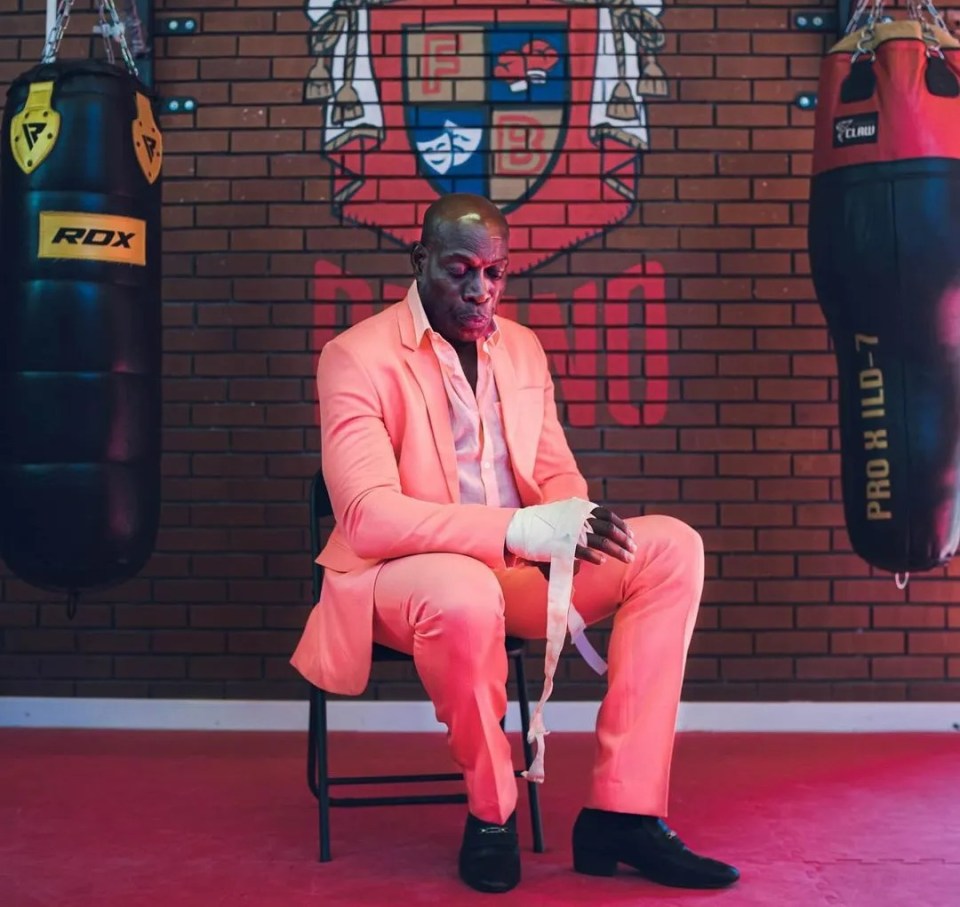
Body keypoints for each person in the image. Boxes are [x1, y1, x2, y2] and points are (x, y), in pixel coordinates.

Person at [291, 193, 740, 894]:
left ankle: (623, 810)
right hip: (399, 577)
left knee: (672, 546)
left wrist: (571, 517)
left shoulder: (522, 346)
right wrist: (511, 529)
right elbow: (367, 517)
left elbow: (553, 468)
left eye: (495, 273)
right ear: (421, 262)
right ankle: (492, 812)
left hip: (515, 571)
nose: (481, 290)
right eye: (461, 270)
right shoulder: (354, 356)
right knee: (465, 593)